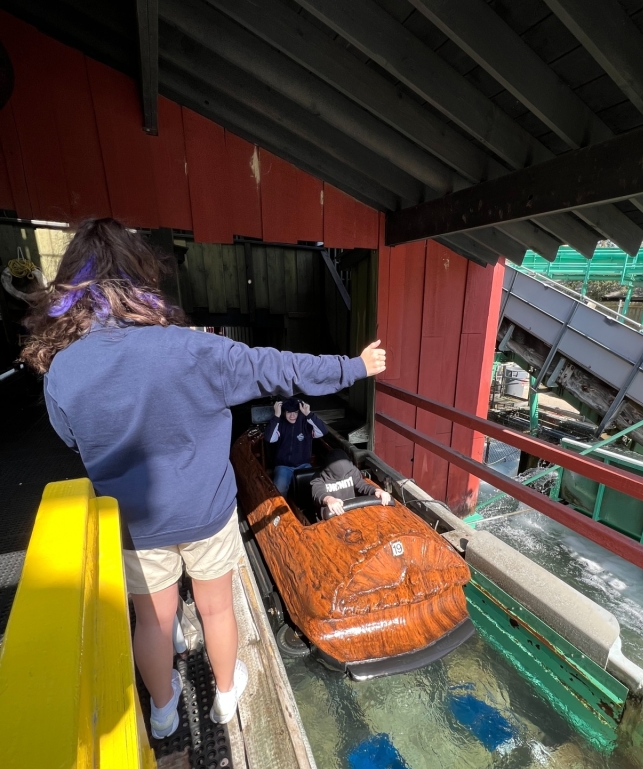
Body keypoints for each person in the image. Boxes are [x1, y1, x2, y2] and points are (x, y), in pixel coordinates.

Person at [21, 218, 386, 740]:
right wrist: (353, 367)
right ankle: (226, 692)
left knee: (151, 622)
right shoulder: (196, 349)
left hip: (133, 525)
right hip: (206, 512)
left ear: (73, 289)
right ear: (141, 280)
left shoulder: (63, 369)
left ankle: (164, 711)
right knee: (215, 609)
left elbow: (72, 439)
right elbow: (280, 368)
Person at [264, 396, 328, 494]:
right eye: (289, 412)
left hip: (304, 465)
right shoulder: (280, 424)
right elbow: (269, 438)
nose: (292, 415)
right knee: (278, 490)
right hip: (283, 466)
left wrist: (308, 414)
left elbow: (323, 431)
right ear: (284, 412)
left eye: (295, 412)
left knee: (317, 488)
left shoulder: (306, 424)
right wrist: (276, 415)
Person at [311, 448, 392, 517]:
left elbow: (362, 485)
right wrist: (329, 499)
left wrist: (377, 490)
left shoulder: (351, 470)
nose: (344, 474)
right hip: (332, 515)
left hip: (352, 512)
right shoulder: (318, 478)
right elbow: (318, 493)